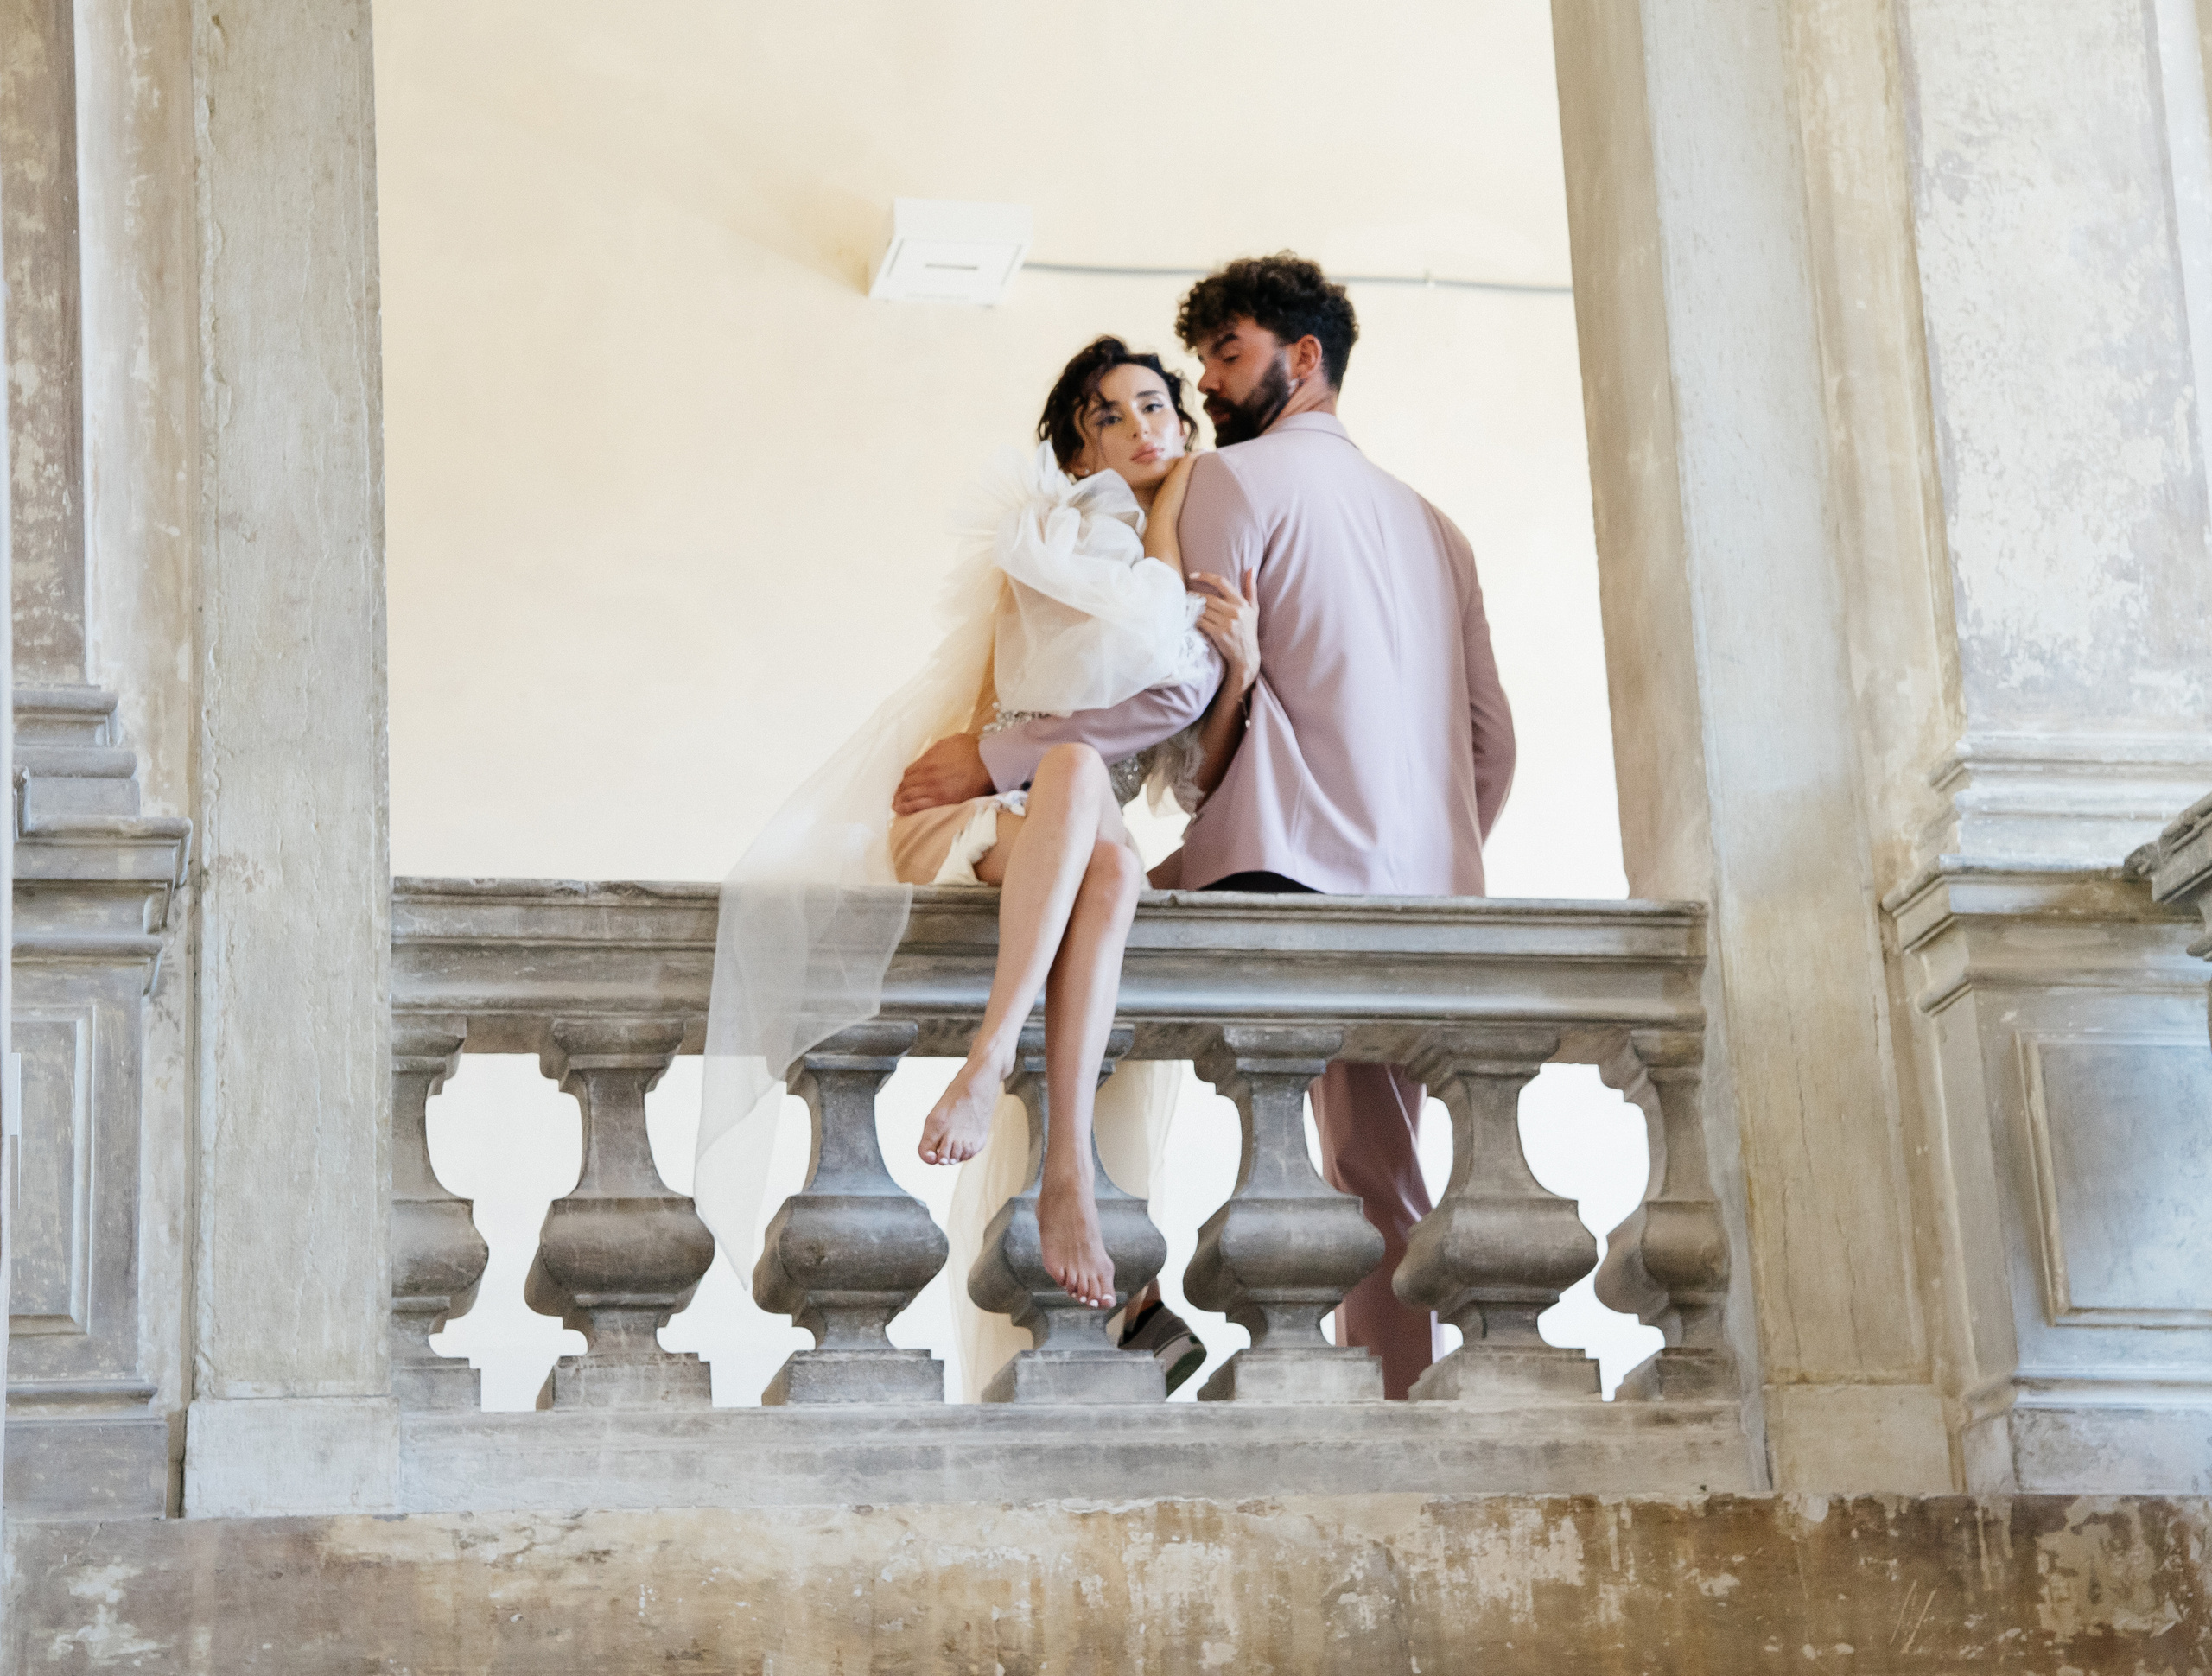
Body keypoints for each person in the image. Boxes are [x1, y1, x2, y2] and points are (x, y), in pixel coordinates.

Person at [978, 255, 1516, 1400]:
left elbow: (1199, 728)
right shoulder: (1443, 529)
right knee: (1381, 1167)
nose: (1208, 387)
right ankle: (1393, 1395)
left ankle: (1115, 1288)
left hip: (1273, 867)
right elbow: (1492, 751)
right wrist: (1417, 845)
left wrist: (1005, 762)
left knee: (1078, 932)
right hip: (1430, 893)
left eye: (1227, 355)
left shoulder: (1230, 485)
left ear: (1302, 358)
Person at [697, 337, 1259, 1364]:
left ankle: (1066, 1176)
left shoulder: (1183, 573)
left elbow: (1195, 769)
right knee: (1080, 776)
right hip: (986, 808)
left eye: (1157, 408)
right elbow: (1151, 689)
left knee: (1118, 856)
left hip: (1079, 842)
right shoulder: (1061, 537)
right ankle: (994, 1056)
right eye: (1110, 416)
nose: (1143, 427)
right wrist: (1177, 513)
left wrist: (1245, 667)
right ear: (1080, 452)